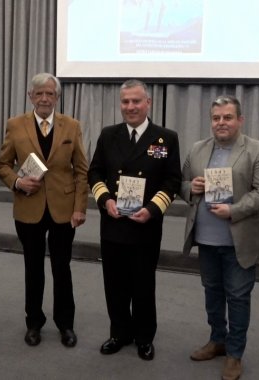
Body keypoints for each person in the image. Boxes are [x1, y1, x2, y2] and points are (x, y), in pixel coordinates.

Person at [181, 95, 259, 380]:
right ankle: (217, 340)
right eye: (216, 118)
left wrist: (233, 210)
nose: (221, 123)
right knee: (212, 295)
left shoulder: (258, 150)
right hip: (206, 239)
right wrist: (192, 187)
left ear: (240, 120)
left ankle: (235, 354)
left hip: (239, 240)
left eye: (227, 117)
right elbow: (181, 184)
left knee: (237, 298)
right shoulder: (198, 149)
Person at [88, 79, 181, 361]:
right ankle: (119, 333)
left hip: (146, 225)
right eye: (125, 102)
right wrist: (106, 200)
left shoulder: (165, 137)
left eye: (136, 101)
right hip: (114, 223)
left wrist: (153, 209)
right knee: (114, 284)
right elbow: (95, 173)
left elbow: (172, 180)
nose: (130, 107)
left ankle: (143, 337)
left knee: (143, 284)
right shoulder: (108, 134)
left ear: (148, 103)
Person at [0, 73, 88, 348]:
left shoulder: (71, 126)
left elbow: (82, 170)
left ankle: (65, 324)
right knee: (33, 268)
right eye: (39, 94)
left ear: (57, 98)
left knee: (62, 268)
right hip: (28, 208)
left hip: (63, 209)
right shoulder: (15, 124)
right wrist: (17, 181)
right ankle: (34, 323)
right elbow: (1, 164)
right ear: (30, 97)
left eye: (50, 94)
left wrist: (80, 207)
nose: (45, 98)